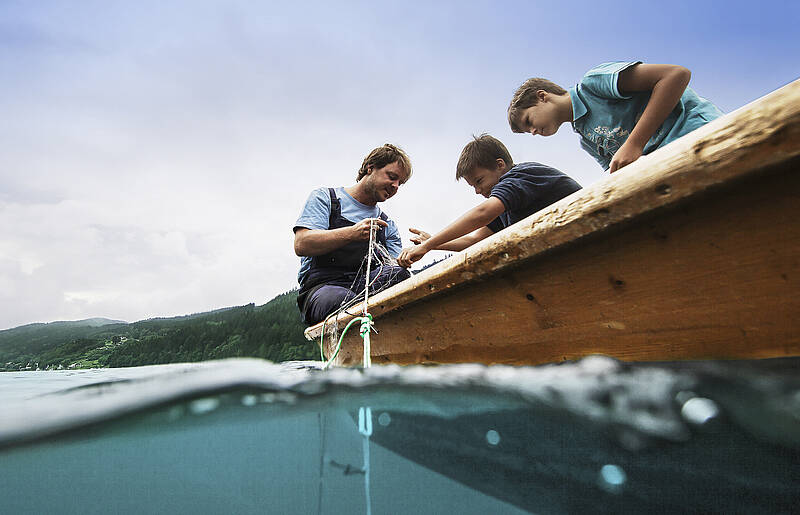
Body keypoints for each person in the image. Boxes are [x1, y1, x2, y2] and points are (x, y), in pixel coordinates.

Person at [397, 134, 580, 267]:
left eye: (479, 181)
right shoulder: (509, 204)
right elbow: (475, 240)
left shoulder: (519, 176)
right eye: (473, 187)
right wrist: (433, 243)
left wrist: (429, 244)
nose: (478, 191)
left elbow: (483, 213)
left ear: (500, 165)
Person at [507, 61, 723, 173]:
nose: (533, 131)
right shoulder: (587, 140)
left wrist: (634, 143)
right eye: (529, 133)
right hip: (672, 166)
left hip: (701, 137)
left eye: (529, 122)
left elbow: (676, 75)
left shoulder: (594, 84)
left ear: (542, 97)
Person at [294, 144, 413, 325]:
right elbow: (302, 244)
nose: (395, 186)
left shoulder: (387, 224)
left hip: (366, 288)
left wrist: (410, 256)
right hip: (323, 288)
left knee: (401, 274)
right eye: (392, 177)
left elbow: (394, 266)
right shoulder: (325, 198)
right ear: (370, 168)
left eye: (400, 183)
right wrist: (352, 233)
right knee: (344, 300)